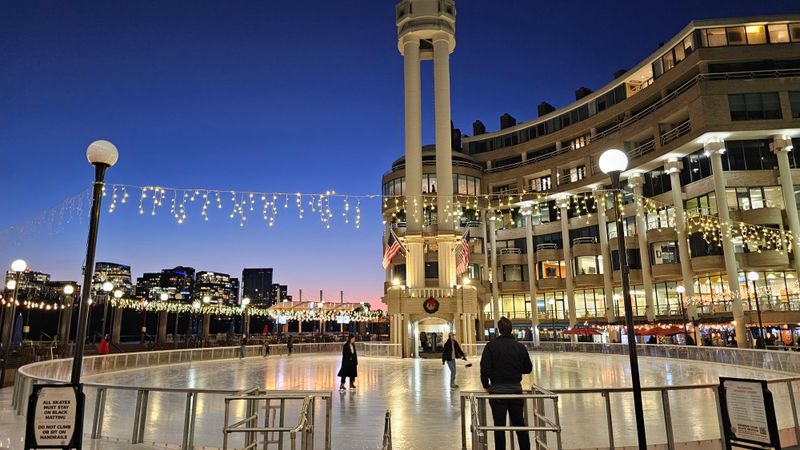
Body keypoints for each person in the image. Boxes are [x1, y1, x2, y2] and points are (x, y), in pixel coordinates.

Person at [480, 317, 533, 450]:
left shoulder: (491, 346)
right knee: (519, 424)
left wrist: (486, 385)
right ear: (511, 329)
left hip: (497, 392)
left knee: (499, 426)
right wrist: (515, 369)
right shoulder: (520, 347)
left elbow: (484, 368)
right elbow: (528, 368)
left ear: (499, 330)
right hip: (515, 390)